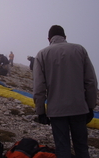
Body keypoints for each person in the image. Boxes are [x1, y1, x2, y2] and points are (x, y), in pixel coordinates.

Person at [33, 25, 98, 158]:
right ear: (65, 37)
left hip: (57, 111)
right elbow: (91, 81)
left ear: (49, 39)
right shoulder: (80, 50)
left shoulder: (42, 54)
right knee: (81, 148)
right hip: (79, 108)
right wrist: (90, 106)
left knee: (62, 149)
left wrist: (40, 111)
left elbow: (39, 87)